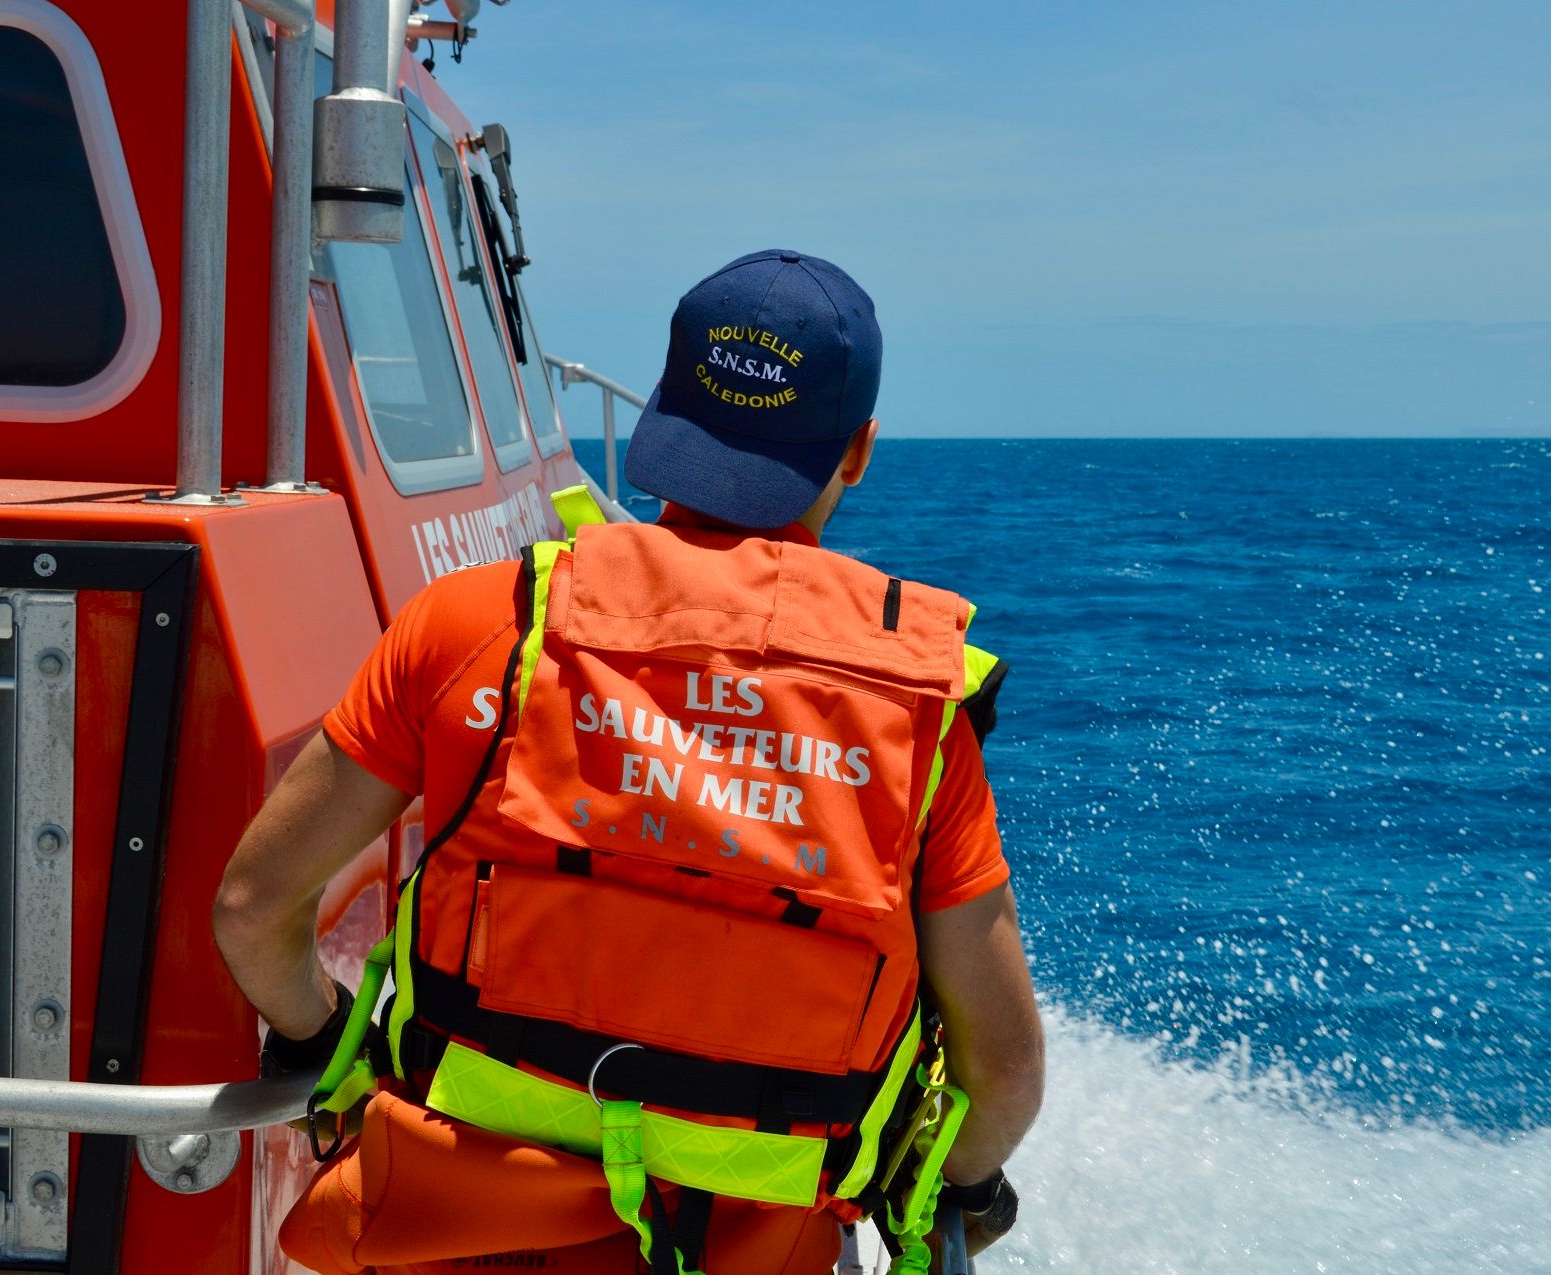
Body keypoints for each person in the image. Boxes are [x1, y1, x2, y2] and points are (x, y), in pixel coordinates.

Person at [214, 249, 1046, 1274]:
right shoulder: (924, 716)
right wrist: (961, 1189)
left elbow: (254, 906)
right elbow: (1002, 1073)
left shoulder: (478, 623)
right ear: (859, 450)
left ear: (663, 411)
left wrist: (320, 1039)